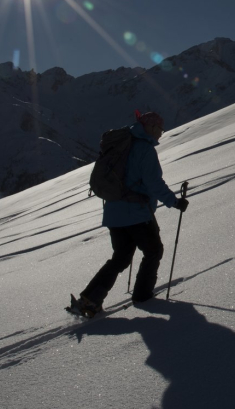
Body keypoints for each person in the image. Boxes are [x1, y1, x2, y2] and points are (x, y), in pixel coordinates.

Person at [77, 112, 189, 317]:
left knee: (120, 257)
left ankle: (90, 299)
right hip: (136, 213)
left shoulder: (122, 145)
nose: (161, 134)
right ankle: (142, 295)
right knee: (153, 250)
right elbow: (153, 183)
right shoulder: (144, 149)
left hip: (113, 212)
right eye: (160, 130)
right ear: (152, 128)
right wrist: (174, 202)